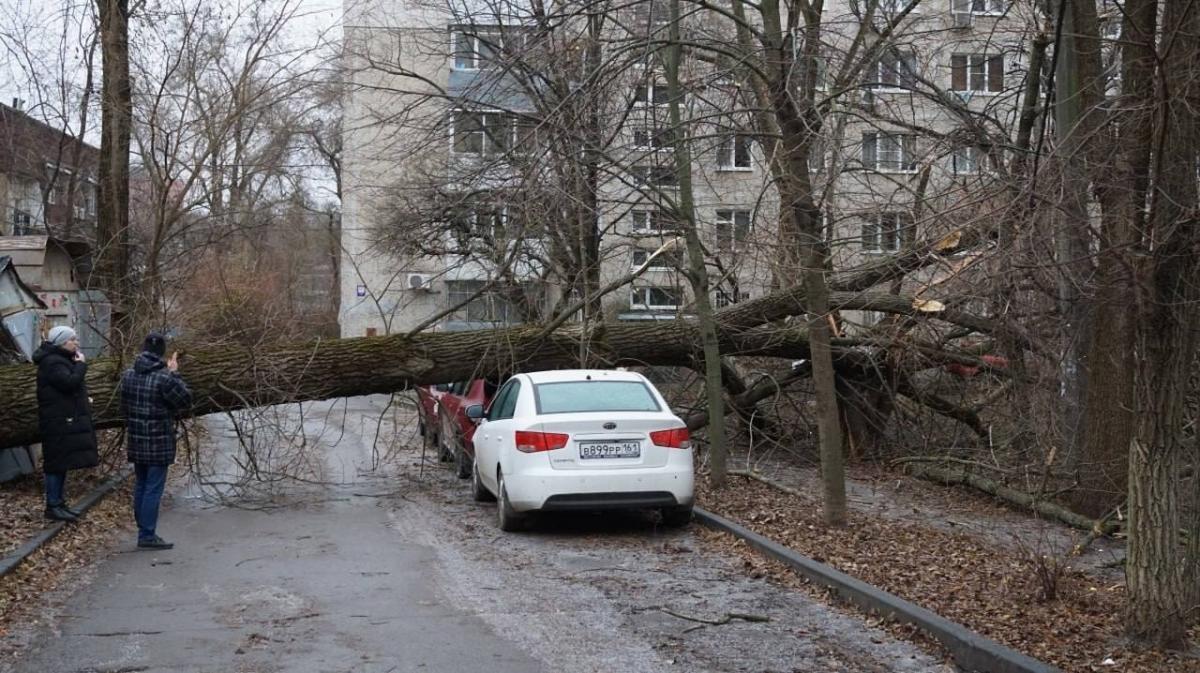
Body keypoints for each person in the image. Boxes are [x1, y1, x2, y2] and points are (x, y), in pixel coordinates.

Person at [120, 333, 192, 550]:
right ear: (162, 352)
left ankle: (143, 529)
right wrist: (175, 373)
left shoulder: (128, 375)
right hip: (159, 439)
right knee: (153, 488)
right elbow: (185, 399)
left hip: (136, 438)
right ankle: (147, 534)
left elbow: (123, 406)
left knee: (141, 485)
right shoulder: (164, 378)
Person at [33, 326, 99, 522]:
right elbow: (69, 383)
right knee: (55, 464)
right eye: (73, 340)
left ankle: (59, 503)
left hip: (62, 420)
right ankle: (53, 505)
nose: (76, 343)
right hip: (56, 422)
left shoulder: (60, 359)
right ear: (62, 342)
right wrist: (80, 366)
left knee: (62, 463)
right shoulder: (52, 362)